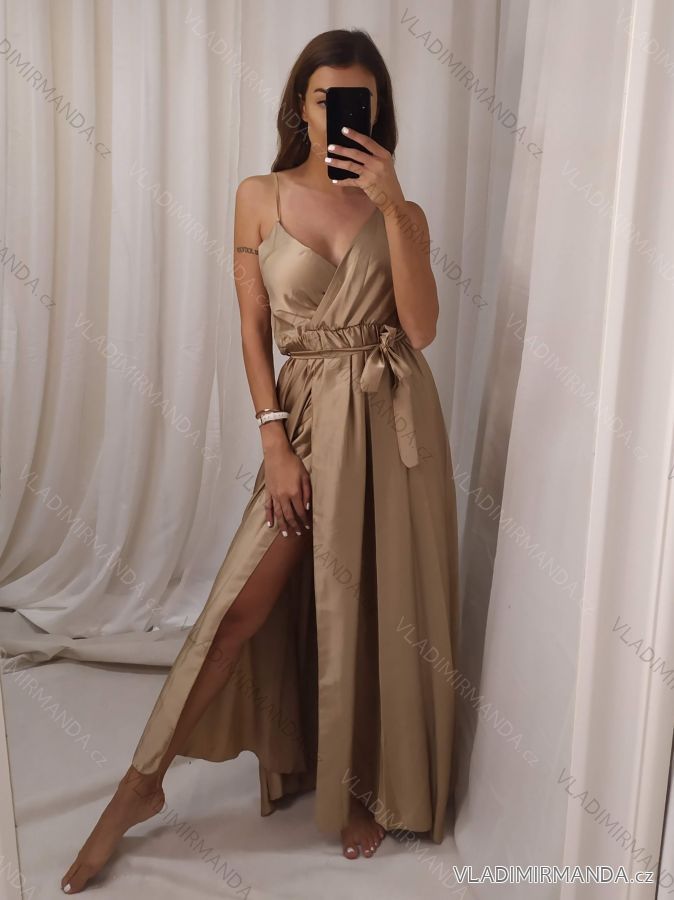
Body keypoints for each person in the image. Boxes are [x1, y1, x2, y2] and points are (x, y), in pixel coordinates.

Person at [61, 27, 460, 894]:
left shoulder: (404, 212)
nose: (340, 114)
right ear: (299, 108)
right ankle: (140, 785)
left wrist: (392, 204)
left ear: (379, 109)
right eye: (325, 99)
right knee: (240, 606)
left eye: (358, 100)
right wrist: (273, 438)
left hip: (391, 422)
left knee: (375, 606)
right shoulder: (257, 195)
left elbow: (423, 329)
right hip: (306, 413)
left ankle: (362, 788)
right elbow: (251, 328)